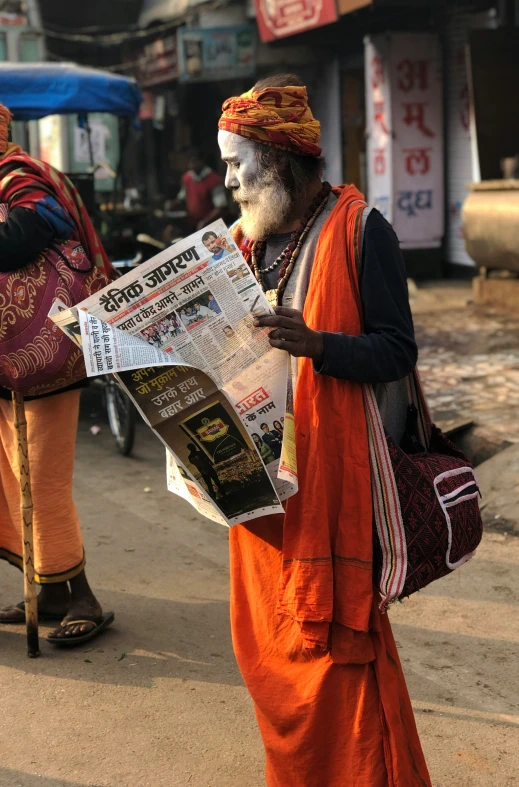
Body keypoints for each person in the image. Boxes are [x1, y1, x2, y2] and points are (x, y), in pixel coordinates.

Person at [218, 76, 431, 785]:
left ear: (277, 164)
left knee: (332, 661)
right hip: (263, 492)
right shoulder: (249, 243)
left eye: (235, 166)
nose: (227, 183)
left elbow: (396, 351)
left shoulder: (362, 229)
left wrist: (319, 345)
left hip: (334, 493)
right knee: (266, 654)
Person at [0, 103, 115, 646]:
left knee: (42, 480)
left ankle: (84, 597)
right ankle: (48, 588)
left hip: (43, 355)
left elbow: (33, 229)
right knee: (20, 475)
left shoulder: (18, 175)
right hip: (10, 357)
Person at [175, 149, 228, 231]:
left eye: (194, 161)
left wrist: (204, 222)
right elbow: (181, 197)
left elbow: (220, 207)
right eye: (189, 161)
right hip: (191, 225)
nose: (191, 165)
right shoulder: (186, 178)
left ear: (201, 161)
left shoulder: (214, 180)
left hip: (210, 226)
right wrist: (173, 204)